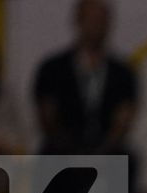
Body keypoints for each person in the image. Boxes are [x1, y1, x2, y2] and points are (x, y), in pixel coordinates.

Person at [32, 0, 138, 157]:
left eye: (100, 20)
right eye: (90, 20)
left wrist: (99, 153)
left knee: (128, 159)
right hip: (61, 151)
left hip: (107, 153)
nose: (95, 26)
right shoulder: (52, 68)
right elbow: (47, 117)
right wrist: (73, 153)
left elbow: (123, 120)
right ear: (78, 22)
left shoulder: (122, 72)